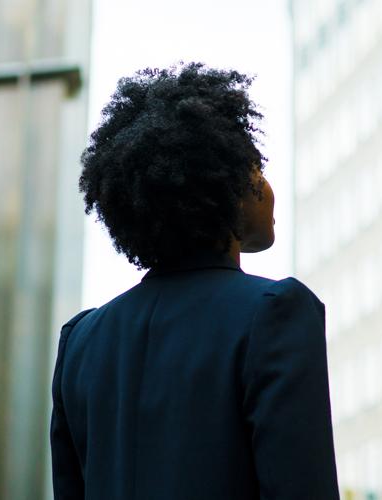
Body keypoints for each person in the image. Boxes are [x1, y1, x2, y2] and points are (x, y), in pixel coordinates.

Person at [50, 63, 339, 499]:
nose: (266, 184)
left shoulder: (81, 343)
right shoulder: (275, 312)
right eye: (256, 167)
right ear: (229, 183)